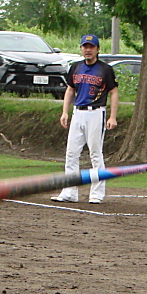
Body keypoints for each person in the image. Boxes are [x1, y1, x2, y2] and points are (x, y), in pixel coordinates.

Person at [51, 34, 118, 204]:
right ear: (81, 48)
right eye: (85, 46)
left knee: (95, 153)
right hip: (78, 112)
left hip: (96, 112)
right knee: (71, 154)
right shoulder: (76, 67)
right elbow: (70, 89)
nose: (88, 50)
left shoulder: (105, 69)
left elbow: (113, 92)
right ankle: (69, 192)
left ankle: (97, 194)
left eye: (91, 47)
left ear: (97, 49)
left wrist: (112, 116)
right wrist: (65, 112)